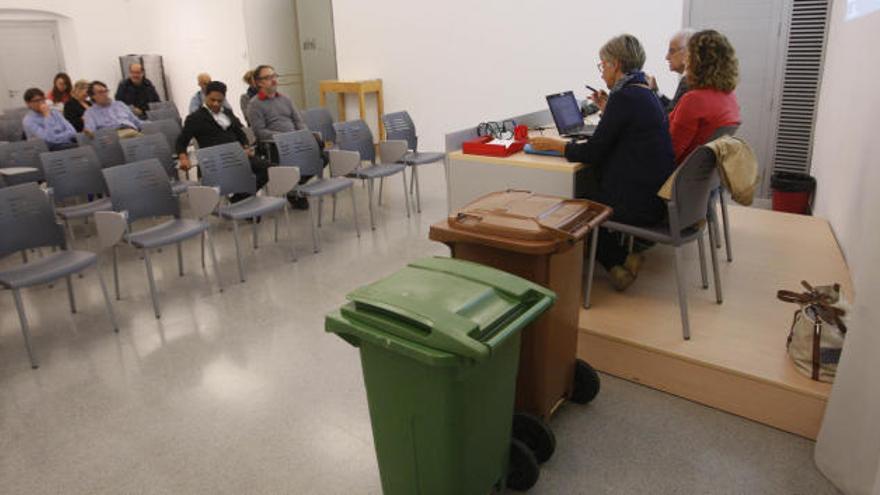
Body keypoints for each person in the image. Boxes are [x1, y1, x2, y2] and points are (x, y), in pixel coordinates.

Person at [529, 34, 675, 291]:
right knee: (588, 183)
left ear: (616, 64)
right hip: (654, 195)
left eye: (603, 65)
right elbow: (625, 133)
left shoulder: (625, 97)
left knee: (578, 197)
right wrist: (608, 110)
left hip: (639, 204)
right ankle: (619, 263)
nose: (602, 72)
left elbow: (593, 152)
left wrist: (558, 145)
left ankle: (614, 261)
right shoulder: (644, 92)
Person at [176, 81, 279, 204]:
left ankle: (240, 198)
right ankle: (243, 200)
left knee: (269, 169)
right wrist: (183, 158)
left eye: (219, 101)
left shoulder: (227, 113)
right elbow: (181, 142)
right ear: (205, 96)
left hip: (237, 156)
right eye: (212, 100)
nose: (215, 104)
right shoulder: (195, 118)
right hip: (217, 161)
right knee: (253, 171)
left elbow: (241, 135)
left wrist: (246, 146)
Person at [669, 29, 741, 164]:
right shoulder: (730, 98)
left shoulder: (694, 100)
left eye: (688, 55)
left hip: (676, 177)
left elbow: (669, 153)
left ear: (695, 61)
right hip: (703, 180)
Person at [246, 64, 308, 142]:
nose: (274, 80)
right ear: (259, 83)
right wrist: (286, 137)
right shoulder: (254, 105)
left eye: (274, 76)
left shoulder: (286, 99)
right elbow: (260, 132)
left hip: (295, 140)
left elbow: (298, 121)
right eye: (268, 78)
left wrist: (303, 135)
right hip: (276, 144)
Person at [647, 28, 696, 113]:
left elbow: (670, 117)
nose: (667, 57)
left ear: (688, 51)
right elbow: (674, 108)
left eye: (672, 51)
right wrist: (656, 92)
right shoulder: (692, 79)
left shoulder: (689, 81)